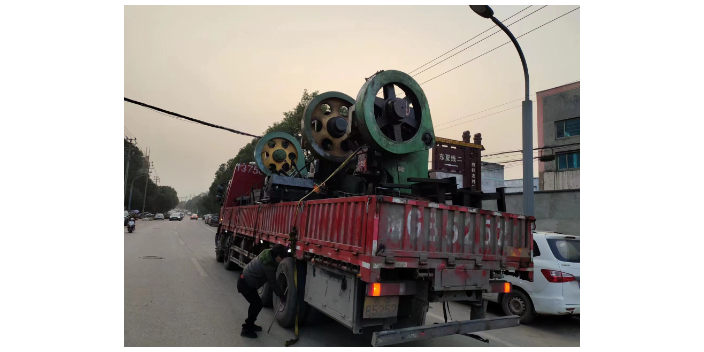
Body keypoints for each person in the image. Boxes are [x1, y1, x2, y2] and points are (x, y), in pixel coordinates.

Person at [237, 244, 287, 338]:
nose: (282, 260)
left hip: (245, 281)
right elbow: (273, 283)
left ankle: (250, 324)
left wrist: (286, 250)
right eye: (282, 257)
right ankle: (246, 329)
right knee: (256, 304)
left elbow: (278, 251)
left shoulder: (267, 253)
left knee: (256, 304)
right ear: (277, 256)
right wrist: (281, 295)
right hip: (245, 284)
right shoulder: (268, 265)